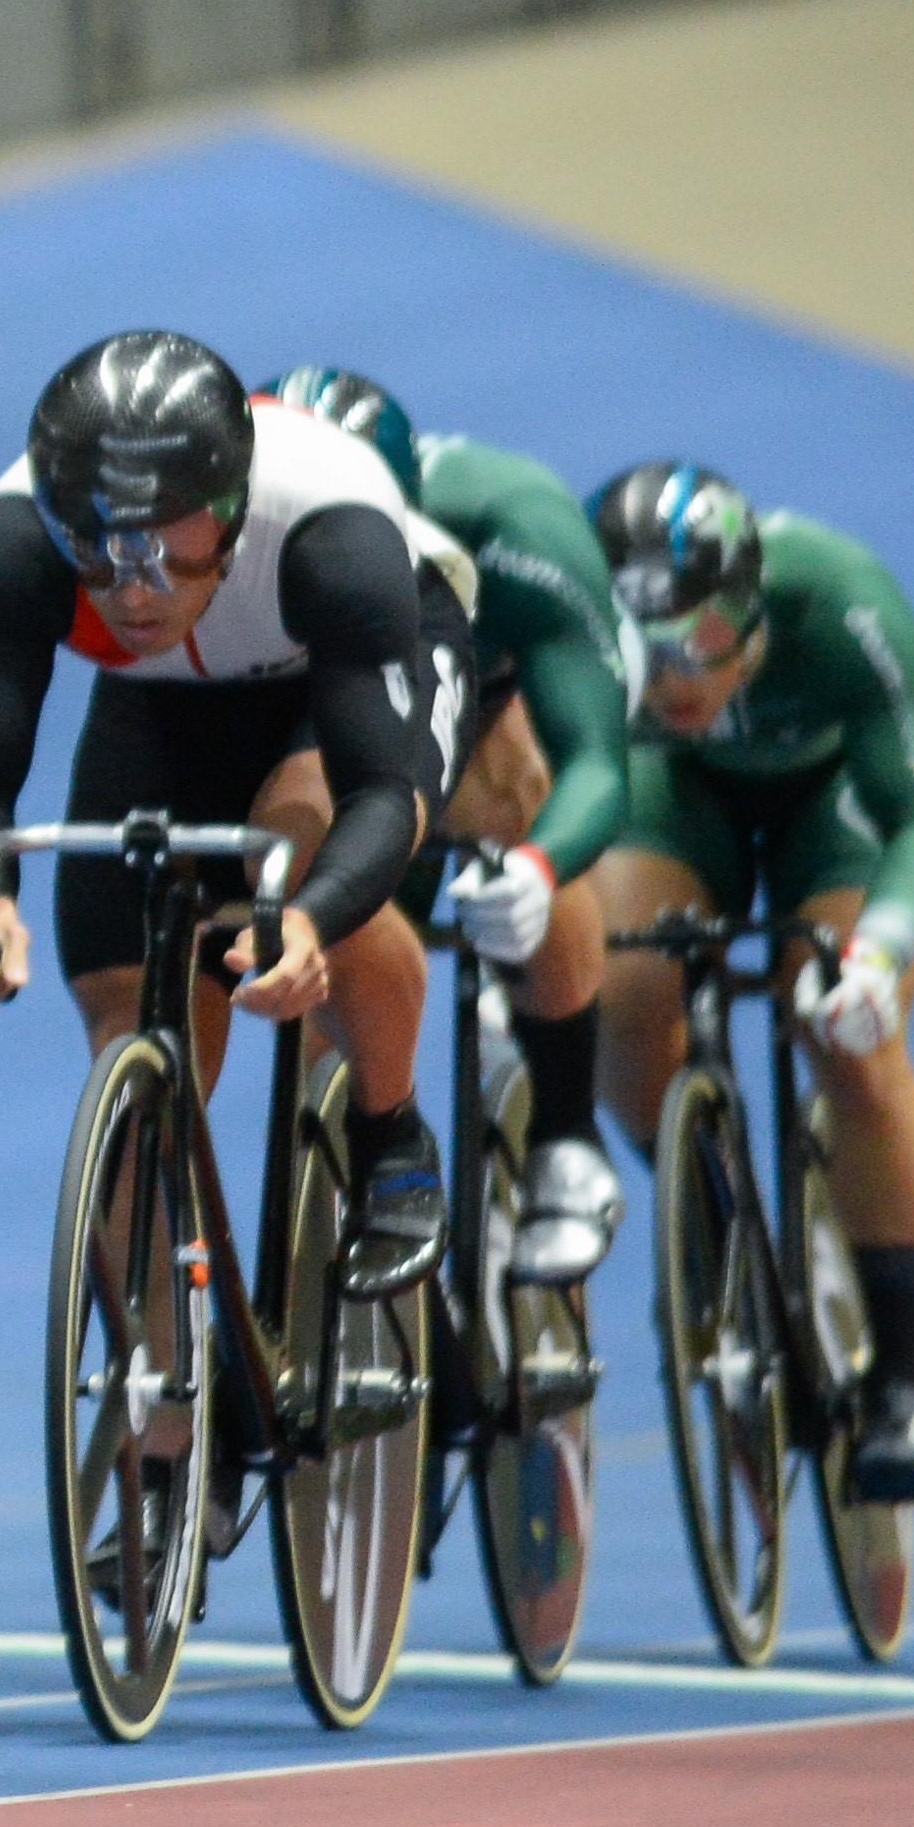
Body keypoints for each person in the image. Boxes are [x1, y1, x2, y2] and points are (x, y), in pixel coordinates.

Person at [0, 329, 472, 1302]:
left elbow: (382, 793)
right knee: (123, 1009)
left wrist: (307, 921)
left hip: (331, 674)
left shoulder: (328, 528)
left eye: (165, 546)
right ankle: (164, 1418)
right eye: (97, 548)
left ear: (229, 508)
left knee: (296, 843)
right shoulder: (13, 543)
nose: (133, 586)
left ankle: (390, 1131)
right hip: (167, 693)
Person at [585, 462, 914, 1501]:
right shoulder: (587, 629)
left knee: (843, 1035)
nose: (677, 681)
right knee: (621, 985)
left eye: (703, 644)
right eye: (648, 652)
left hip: (828, 801)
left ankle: (902, 1380)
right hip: (674, 795)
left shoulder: (841, 599)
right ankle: (705, 1220)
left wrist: (879, 954)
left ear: (753, 611)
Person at [273, 365, 632, 1282]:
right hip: (330, 688)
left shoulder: (517, 531)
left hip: (488, 676)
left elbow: (598, 758)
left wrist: (542, 871)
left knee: (518, 803)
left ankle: (565, 1133)